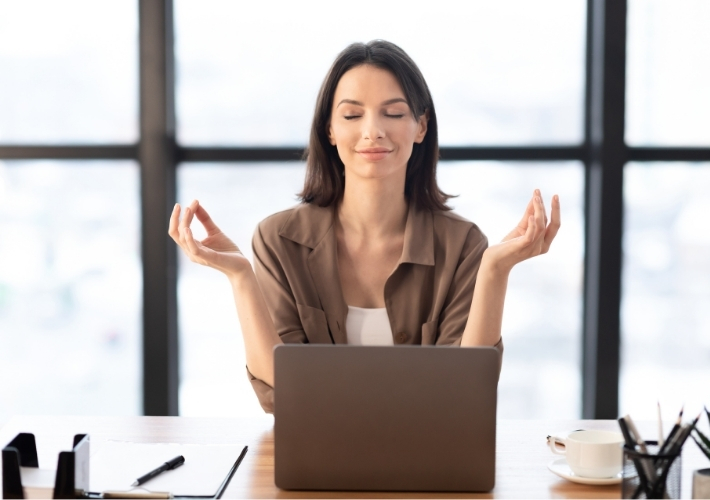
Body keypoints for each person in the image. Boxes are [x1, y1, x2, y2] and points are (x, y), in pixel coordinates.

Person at [168, 40, 560, 413]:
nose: (373, 130)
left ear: (421, 127)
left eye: (393, 113)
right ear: (330, 130)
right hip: (317, 459)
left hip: (427, 461)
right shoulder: (279, 239)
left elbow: (464, 394)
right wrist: (240, 276)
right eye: (352, 115)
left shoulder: (463, 244)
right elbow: (282, 390)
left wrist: (496, 269)